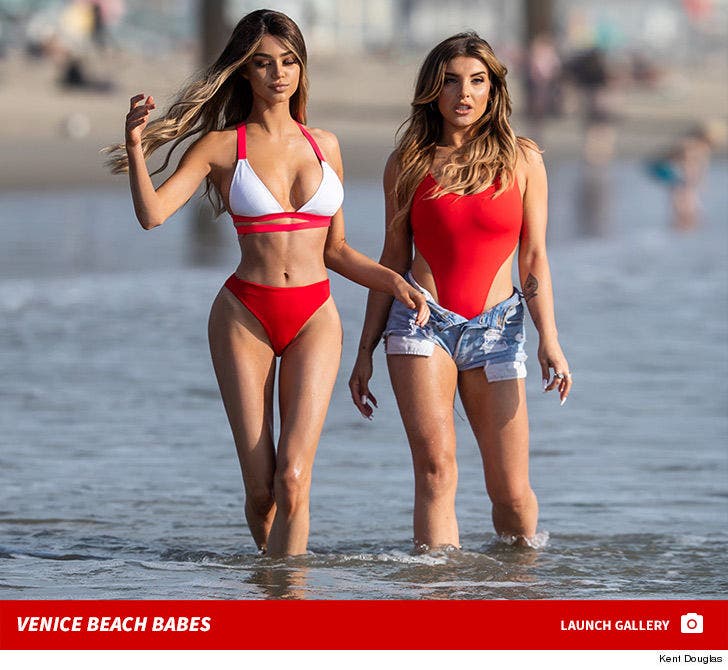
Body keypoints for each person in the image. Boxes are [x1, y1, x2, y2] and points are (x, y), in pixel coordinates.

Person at [105, 9, 428, 557]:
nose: (279, 73)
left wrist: (395, 281)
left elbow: (337, 250)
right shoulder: (221, 146)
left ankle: (287, 608)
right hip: (244, 316)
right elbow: (153, 214)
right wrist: (136, 146)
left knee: (294, 477)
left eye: (289, 61)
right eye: (263, 63)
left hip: (315, 317)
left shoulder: (326, 144)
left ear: (301, 69)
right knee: (261, 490)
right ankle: (273, 587)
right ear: (244, 73)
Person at [349, 32, 571, 551]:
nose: (463, 94)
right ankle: (439, 604)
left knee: (512, 496)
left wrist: (549, 338)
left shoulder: (523, 160)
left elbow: (533, 257)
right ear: (433, 89)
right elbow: (393, 260)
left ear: (494, 89)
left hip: (498, 330)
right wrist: (363, 350)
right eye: (450, 82)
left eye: (477, 81)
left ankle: (517, 595)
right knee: (435, 471)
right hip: (421, 325)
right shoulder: (408, 162)